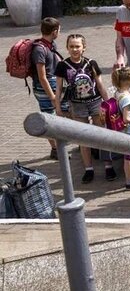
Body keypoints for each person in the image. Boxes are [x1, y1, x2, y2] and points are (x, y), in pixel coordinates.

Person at [54, 34, 114, 183]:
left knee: (102, 134)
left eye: (77, 46)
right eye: (71, 46)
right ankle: (88, 169)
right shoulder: (62, 65)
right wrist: (58, 107)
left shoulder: (91, 63)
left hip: (95, 102)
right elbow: (59, 88)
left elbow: (100, 85)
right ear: (67, 48)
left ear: (84, 47)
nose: (75, 49)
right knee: (83, 137)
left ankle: (108, 165)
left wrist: (108, 104)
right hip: (77, 105)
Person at [30, 17, 66, 158]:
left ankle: (58, 146)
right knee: (48, 117)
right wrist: (52, 96)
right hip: (43, 87)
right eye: (59, 30)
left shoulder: (51, 44)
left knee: (60, 113)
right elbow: (42, 76)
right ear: (54, 31)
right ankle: (55, 150)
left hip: (53, 83)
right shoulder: (39, 49)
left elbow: (57, 61)